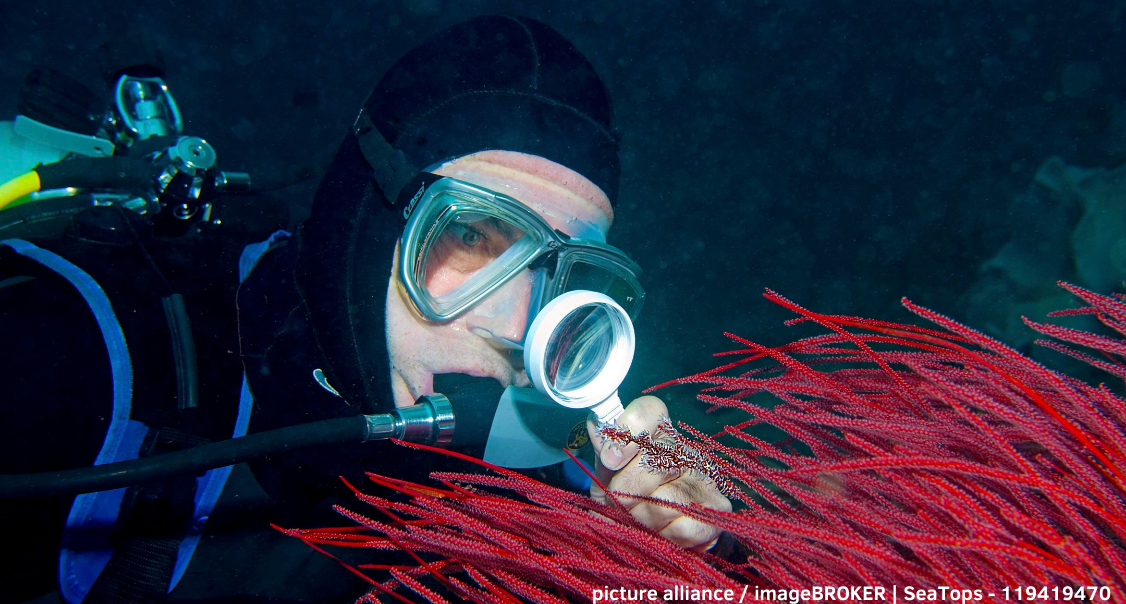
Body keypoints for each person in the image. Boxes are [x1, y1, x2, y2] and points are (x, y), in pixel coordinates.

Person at [0, 15, 730, 603]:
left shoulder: (536, 455)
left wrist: (695, 550)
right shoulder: (73, 357)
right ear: (370, 220)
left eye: (564, 279)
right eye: (471, 236)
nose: (516, 327)